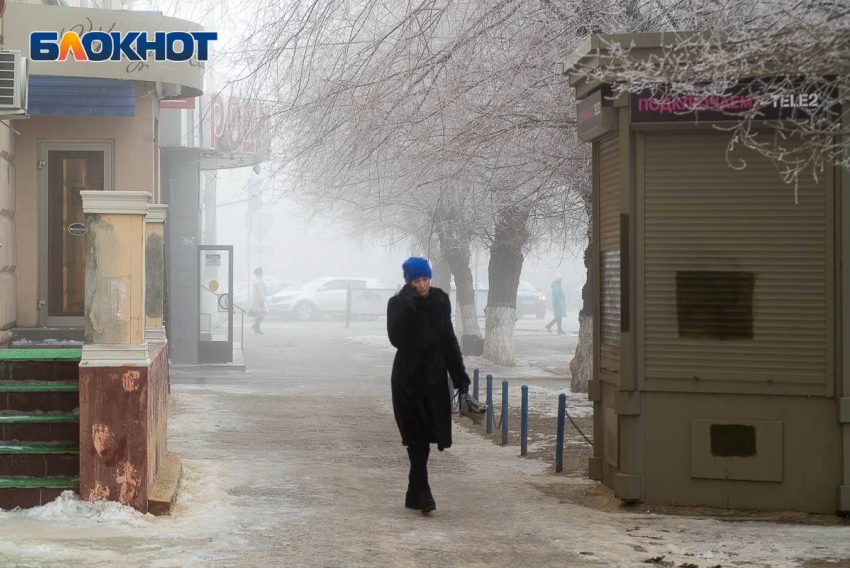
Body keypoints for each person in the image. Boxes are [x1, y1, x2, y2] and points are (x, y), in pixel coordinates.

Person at [387, 257, 470, 514]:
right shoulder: (397, 303)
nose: (422, 285)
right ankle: (423, 492)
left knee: (428, 434)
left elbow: (448, 339)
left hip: (434, 377)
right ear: (409, 282)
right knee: (415, 435)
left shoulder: (440, 300)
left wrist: (459, 376)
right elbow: (395, 339)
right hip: (407, 377)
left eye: (425, 279)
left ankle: (414, 490)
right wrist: (411, 309)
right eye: (417, 281)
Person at [251, 267, 268, 334]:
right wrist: (262, 300)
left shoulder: (257, 280)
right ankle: (256, 326)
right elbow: (260, 291)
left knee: (258, 314)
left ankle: (257, 329)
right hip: (259, 299)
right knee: (264, 312)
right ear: (259, 273)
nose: (263, 273)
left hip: (256, 299)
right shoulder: (258, 281)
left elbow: (264, 287)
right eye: (262, 272)